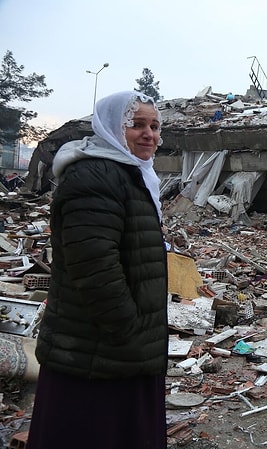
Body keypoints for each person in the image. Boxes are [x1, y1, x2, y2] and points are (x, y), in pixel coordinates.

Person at [26, 91, 168, 449]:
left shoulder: (131, 174)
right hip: (98, 349)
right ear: (110, 128)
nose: (149, 134)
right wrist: (129, 331)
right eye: (136, 125)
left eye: (154, 126)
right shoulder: (96, 175)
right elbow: (93, 266)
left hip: (115, 348)